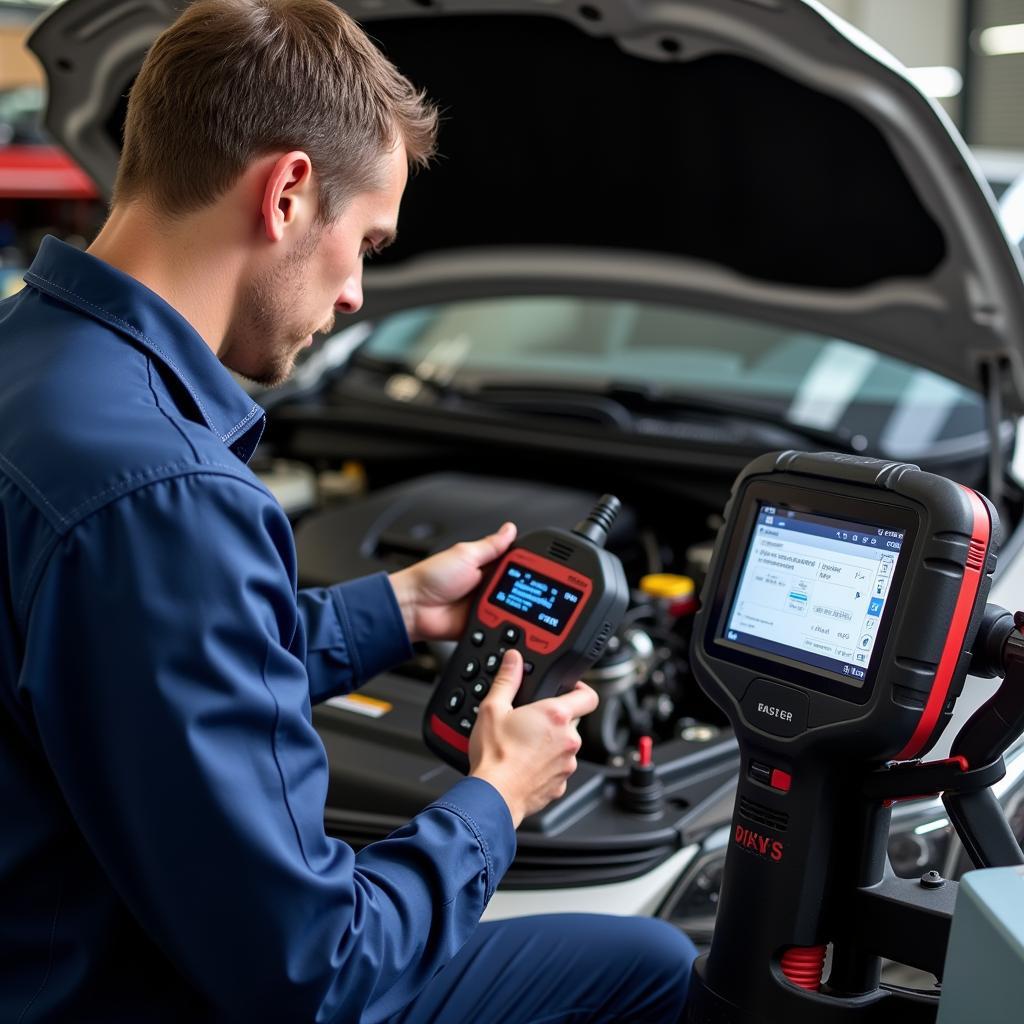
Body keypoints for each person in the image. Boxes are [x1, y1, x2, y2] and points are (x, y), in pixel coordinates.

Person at [0, 0, 697, 1020]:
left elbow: (117, 657)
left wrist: (396, 609)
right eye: (367, 242)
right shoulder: (167, 493)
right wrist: (493, 801)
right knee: (653, 963)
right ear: (286, 193)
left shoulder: (29, 363)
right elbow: (320, 971)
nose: (359, 295)